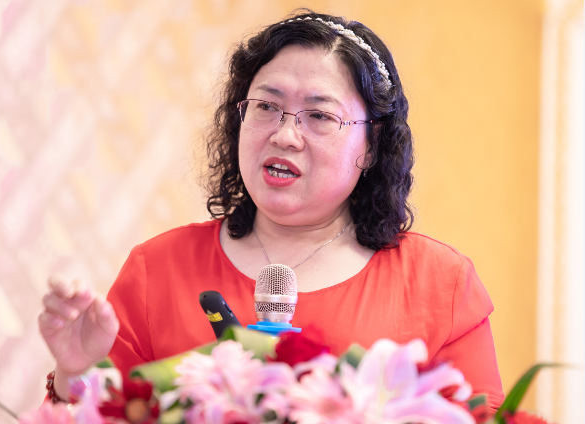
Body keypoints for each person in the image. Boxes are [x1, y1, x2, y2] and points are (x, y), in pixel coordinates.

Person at [38, 10, 505, 409]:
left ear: (372, 144)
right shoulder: (157, 269)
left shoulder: (440, 284)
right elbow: (106, 411)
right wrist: (73, 375)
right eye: (266, 106)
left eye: (319, 115)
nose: (284, 135)